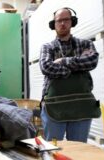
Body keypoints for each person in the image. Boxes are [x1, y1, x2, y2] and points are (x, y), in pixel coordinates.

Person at [39, 7, 99, 142]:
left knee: (78, 150)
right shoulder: (47, 47)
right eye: (58, 21)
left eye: (66, 20)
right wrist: (75, 68)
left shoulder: (85, 44)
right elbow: (46, 67)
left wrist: (63, 61)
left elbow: (92, 61)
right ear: (53, 24)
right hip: (54, 107)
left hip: (81, 107)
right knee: (52, 150)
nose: (62, 23)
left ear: (72, 22)